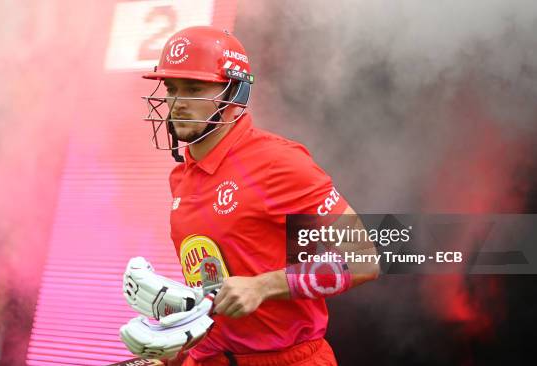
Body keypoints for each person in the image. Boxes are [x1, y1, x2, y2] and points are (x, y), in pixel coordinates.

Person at [120, 25, 379, 366]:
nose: (177, 104)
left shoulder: (278, 162)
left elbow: (365, 259)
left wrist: (264, 286)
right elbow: (218, 287)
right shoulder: (181, 175)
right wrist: (174, 352)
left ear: (233, 93)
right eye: (171, 88)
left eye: (194, 88)